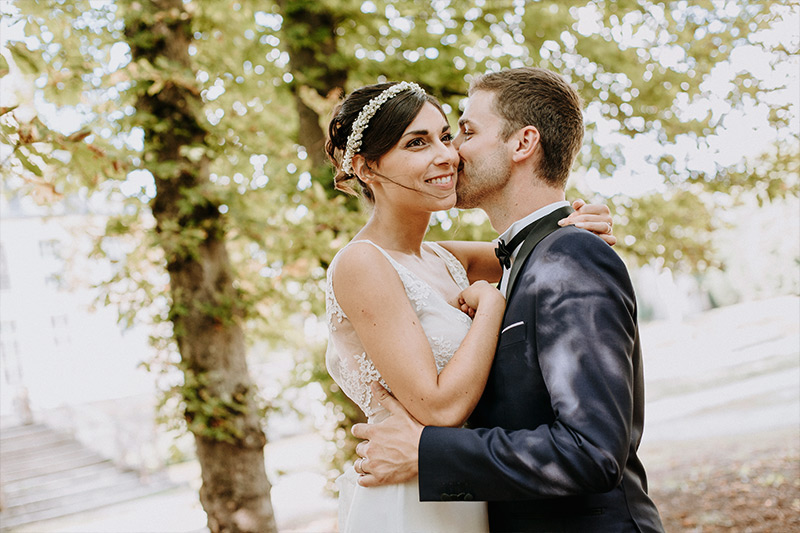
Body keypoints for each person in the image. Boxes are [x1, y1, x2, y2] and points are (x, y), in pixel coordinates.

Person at [351, 68, 665, 532]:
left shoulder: (570, 256)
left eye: (464, 132)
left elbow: (593, 452)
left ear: (522, 144)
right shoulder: (523, 257)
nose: (451, 152)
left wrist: (425, 453)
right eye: (426, 141)